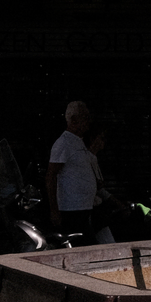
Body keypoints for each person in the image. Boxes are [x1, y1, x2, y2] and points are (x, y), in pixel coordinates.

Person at [46, 100, 96, 241]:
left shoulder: (78, 141)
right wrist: (54, 210)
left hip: (83, 207)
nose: (88, 122)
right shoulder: (63, 143)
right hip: (72, 209)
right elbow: (51, 175)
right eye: (84, 117)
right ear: (74, 120)